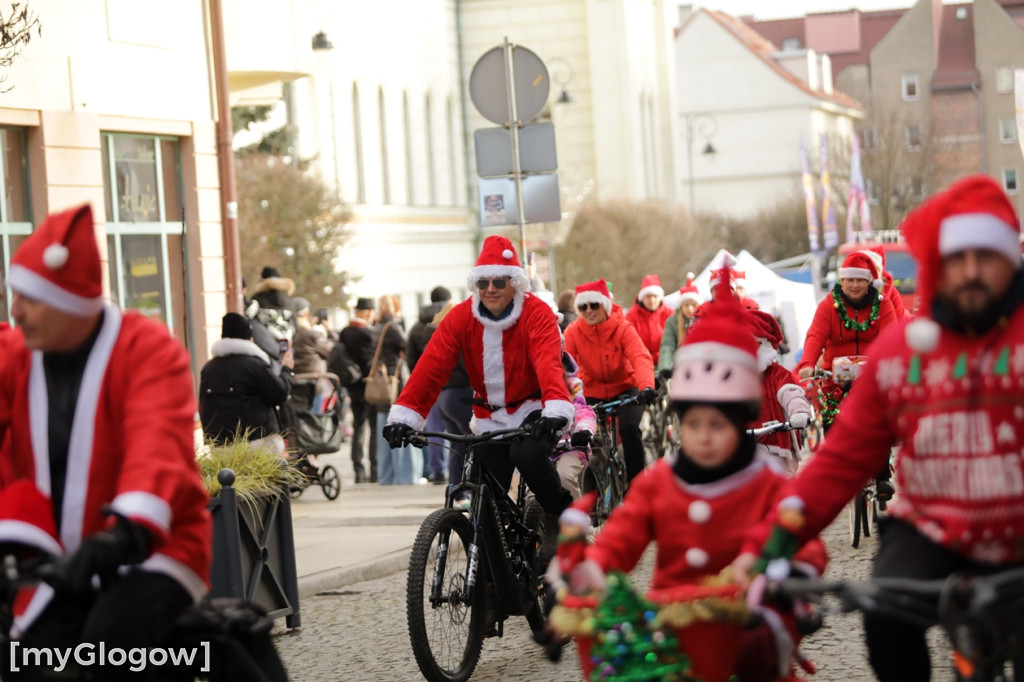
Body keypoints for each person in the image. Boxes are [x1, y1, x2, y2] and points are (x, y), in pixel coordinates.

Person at [734, 174, 1024, 682]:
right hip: (929, 528)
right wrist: (771, 541)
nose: (973, 272)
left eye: (988, 256)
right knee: (885, 620)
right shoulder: (903, 353)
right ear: (940, 264)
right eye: (960, 258)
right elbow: (840, 461)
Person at [566, 275, 827, 682]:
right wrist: (590, 571)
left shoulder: (766, 483)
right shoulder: (659, 484)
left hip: (750, 629)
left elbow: (800, 534)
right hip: (677, 640)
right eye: (694, 424)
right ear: (679, 427)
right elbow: (621, 536)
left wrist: (794, 573)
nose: (705, 437)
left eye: (718, 425)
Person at [0, 204, 211, 680]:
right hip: (53, 556)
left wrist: (124, 533)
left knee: (105, 650)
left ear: (69, 302)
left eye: (29, 298)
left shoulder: (147, 350)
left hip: (156, 549)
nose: (16, 311)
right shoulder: (16, 354)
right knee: (26, 663)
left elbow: (155, 444)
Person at [382, 235, 574, 522]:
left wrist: (556, 407)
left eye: (499, 282)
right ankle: (490, 557)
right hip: (487, 417)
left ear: (514, 282)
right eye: (483, 283)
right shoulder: (460, 316)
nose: (491, 289)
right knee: (484, 498)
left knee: (528, 457)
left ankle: (560, 514)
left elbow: (548, 362)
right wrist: (405, 416)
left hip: (532, 410)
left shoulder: (536, 313)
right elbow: (431, 366)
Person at [563, 278, 656, 483]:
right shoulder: (573, 331)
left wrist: (647, 386)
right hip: (592, 391)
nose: (588, 310)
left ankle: (637, 489)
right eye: (583, 306)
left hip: (626, 388)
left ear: (604, 305)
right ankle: (590, 493)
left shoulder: (623, 328)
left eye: (594, 305)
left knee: (629, 429)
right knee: (585, 437)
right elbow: (564, 365)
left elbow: (640, 357)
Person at [199, 312, 295, 444]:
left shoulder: (209, 368)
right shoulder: (255, 365)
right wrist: (286, 369)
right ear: (249, 339)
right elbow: (279, 393)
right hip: (258, 443)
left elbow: (204, 405)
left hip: (220, 444)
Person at [747, 309, 812, 472]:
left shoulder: (777, 373)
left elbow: (790, 393)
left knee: (784, 487)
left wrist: (799, 411)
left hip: (775, 447)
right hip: (741, 450)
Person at [407, 286, 453, 483]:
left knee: (434, 428)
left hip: (430, 382)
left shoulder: (419, 326)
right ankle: (459, 471)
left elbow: (411, 357)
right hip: (454, 383)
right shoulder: (455, 316)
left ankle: (437, 470)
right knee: (460, 432)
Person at [374, 294, 419, 485]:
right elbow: (407, 348)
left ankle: (385, 476)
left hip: (380, 382)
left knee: (382, 427)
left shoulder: (374, 328)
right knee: (400, 426)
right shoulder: (394, 327)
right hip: (394, 382)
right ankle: (406, 476)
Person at [334, 297, 377, 483]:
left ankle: (358, 469)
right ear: (368, 312)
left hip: (352, 384)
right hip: (370, 385)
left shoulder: (345, 332)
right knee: (374, 429)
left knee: (358, 427)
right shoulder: (368, 333)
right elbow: (371, 360)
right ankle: (375, 469)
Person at [656, 273, 703, 380]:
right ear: (681, 306)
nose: (690, 309)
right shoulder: (672, 322)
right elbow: (667, 346)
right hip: (680, 366)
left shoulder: (705, 321)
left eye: (693, 305)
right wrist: (665, 367)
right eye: (686, 305)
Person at [624, 274, 674, 366]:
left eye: (655, 296)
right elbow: (629, 345)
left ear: (660, 297)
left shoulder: (670, 314)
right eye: (648, 297)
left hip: (667, 362)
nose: (651, 300)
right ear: (642, 298)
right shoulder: (631, 316)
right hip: (640, 363)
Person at [251, 265, 299, 342]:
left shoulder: (258, 298)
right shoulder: (290, 300)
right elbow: (295, 326)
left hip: (264, 343)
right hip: (286, 345)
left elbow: (252, 321)